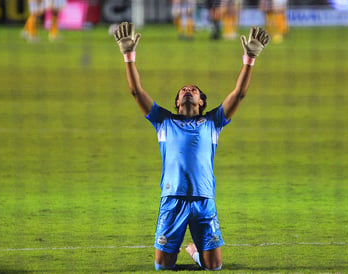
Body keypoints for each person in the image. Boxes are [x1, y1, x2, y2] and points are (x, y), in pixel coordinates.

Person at [113, 22, 270, 271]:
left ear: (201, 101)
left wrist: (249, 59)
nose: (188, 91)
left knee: (214, 267)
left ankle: (195, 253)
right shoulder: (163, 121)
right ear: (176, 102)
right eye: (183, 91)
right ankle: (183, 250)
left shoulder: (214, 122)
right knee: (162, 267)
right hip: (172, 199)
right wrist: (128, 56)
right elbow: (136, 92)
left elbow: (239, 93)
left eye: (193, 90)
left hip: (203, 200)